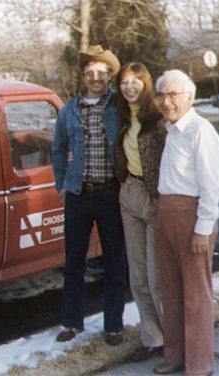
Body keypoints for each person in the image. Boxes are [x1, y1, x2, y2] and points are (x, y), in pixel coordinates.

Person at [52, 45, 127, 346]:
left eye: (101, 73)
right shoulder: (68, 110)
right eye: (90, 73)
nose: (96, 78)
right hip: (79, 195)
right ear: (82, 77)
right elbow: (58, 149)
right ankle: (72, 322)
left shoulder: (118, 106)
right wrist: (61, 184)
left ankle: (113, 326)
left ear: (108, 75)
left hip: (110, 194)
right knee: (73, 262)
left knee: (114, 262)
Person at [153, 69, 219, 376]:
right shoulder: (171, 130)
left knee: (196, 293)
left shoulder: (201, 131)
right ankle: (175, 355)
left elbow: (210, 187)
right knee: (171, 289)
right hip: (166, 213)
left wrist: (202, 230)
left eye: (172, 95)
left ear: (189, 97)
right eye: (161, 95)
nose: (166, 102)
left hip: (191, 216)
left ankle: (199, 365)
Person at [113, 62, 166, 361]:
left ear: (145, 84)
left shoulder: (157, 119)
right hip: (129, 193)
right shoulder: (121, 117)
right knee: (138, 275)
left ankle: (173, 339)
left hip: (154, 197)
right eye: (124, 81)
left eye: (135, 81)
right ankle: (152, 338)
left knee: (156, 277)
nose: (129, 86)